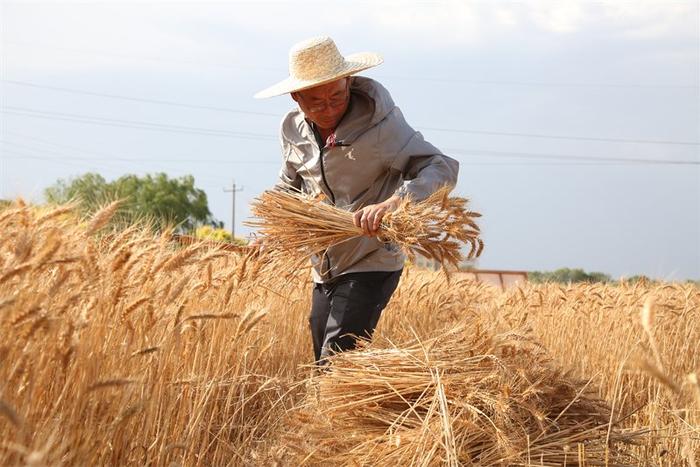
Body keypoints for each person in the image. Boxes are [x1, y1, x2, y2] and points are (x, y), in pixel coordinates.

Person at [254, 36, 459, 364]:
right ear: (296, 97)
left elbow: (440, 166)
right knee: (322, 355)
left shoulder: (381, 125)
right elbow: (289, 186)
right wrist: (269, 231)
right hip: (324, 266)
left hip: (371, 258)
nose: (330, 107)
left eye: (337, 95)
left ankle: (328, 415)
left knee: (334, 360)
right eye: (316, 102)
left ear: (348, 80)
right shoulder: (291, 129)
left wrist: (394, 203)